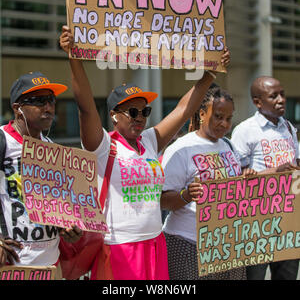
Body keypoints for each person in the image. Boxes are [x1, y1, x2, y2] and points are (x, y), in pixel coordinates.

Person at [59, 26, 230, 280]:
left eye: (145, 112)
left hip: (154, 243)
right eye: (133, 112)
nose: (141, 118)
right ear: (115, 115)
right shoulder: (104, 146)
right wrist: (74, 57)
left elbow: (183, 111)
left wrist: (208, 75)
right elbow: (85, 107)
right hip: (119, 247)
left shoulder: (149, 141)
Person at [161, 85, 256, 280]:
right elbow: (163, 200)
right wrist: (186, 195)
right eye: (218, 116)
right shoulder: (181, 149)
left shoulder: (228, 146)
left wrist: (248, 177)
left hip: (226, 243)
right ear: (202, 114)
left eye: (229, 119)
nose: (224, 124)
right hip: (188, 244)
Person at [0, 71, 82, 276]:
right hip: (11, 267)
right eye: (39, 101)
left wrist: (69, 227)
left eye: (51, 101)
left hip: (50, 265)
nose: (48, 108)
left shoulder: (53, 150)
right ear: (17, 109)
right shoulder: (3, 141)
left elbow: (61, 206)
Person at [231, 76, 300, 281]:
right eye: (273, 96)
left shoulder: (288, 127)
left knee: (287, 275)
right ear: (257, 102)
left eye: (282, 94)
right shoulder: (244, 131)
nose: (281, 100)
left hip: (288, 219)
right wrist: (274, 172)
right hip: (257, 223)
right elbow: (236, 177)